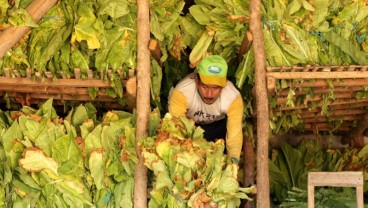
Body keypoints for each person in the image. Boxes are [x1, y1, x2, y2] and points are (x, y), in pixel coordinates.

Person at [168, 55, 244, 163]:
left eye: (215, 88)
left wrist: (234, 163)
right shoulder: (182, 93)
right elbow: (177, 131)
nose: (209, 94)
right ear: (196, 81)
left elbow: (234, 137)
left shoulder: (233, 98)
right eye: (204, 86)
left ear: (224, 84)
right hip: (188, 127)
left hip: (216, 126)